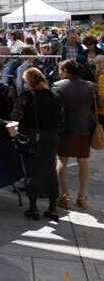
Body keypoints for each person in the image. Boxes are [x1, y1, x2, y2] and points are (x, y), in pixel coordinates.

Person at [12, 68, 63, 221]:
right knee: (51, 171)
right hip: (51, 137)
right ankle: (52, 208)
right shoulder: (55, 95)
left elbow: (15, 115)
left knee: (32, 172)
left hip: (32, 138)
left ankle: (33, 208)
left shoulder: (26, 96)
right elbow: (61, 119)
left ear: (29, 82)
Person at [53, 59, 96, 210]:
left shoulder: (57, 85)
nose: (59, 72)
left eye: (60, 70)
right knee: (83, 161)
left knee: (62, 161)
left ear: (65, 71)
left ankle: (65, 197)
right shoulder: (90, 86)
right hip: (84, 128)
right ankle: (81, 197)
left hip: (64, 129)